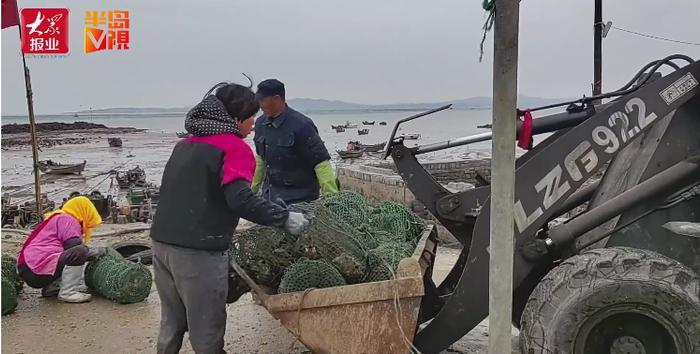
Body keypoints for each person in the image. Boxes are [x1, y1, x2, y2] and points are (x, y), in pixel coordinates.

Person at [150, 82, 309, 354]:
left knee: (172, 323)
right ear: (235, 119)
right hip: (198, 254)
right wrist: (284, 218)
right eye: (251, 117)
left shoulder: (184, 145)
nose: (253, 124)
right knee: (207, 332)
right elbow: (241, 200)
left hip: (161, 245)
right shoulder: (233, 148)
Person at [252, 79, 338, 205]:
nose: (260, 105)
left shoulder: (302, 125)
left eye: (262, 100)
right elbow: (260, 160)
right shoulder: (260, 124)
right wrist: (252, 191)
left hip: (300, 201)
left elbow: (321, 163)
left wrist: (332, 199)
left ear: (277, 98)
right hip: (270, 199)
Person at [16, 196, 104, 303]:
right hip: (35, 269)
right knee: (80, 252)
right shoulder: (67, 219)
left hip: (27, 269)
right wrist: (99, 252)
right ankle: (68, 293)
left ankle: (52, 288)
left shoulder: (57, 218)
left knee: (65, 255)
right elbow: (73, 245)